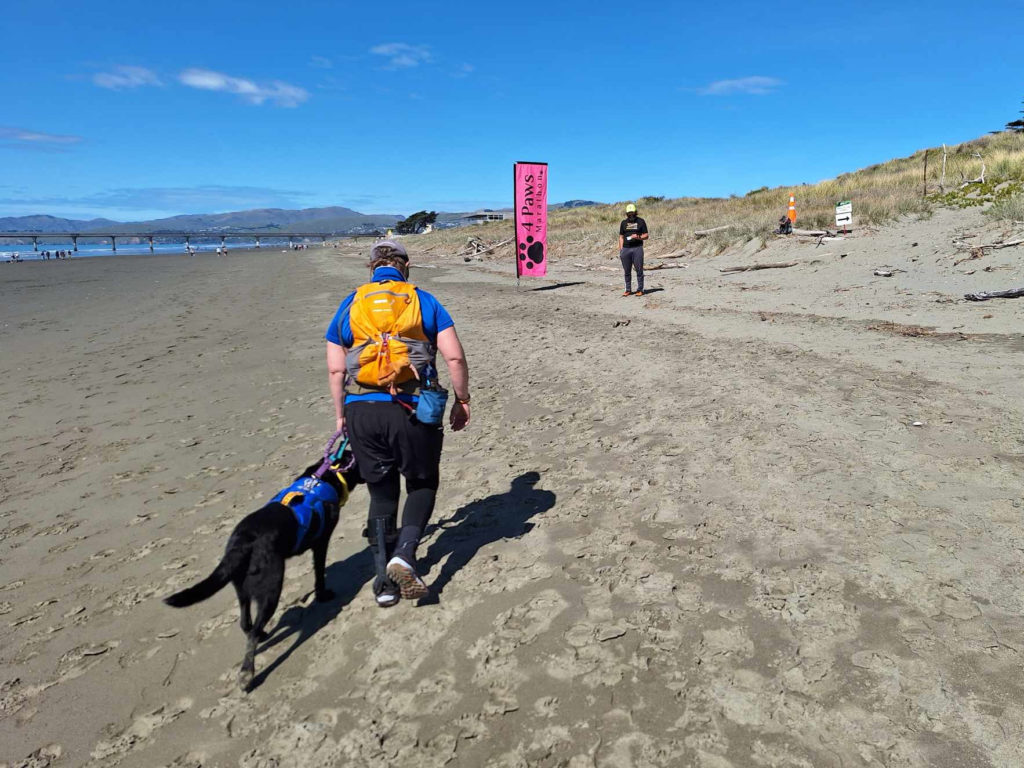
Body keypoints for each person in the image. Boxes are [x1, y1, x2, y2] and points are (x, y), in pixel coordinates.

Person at [325, 240, 470, 607]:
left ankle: (383, 584)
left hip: (362, 407)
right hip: (416, 405)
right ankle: (404, 554)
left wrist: (341, 414)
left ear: (372, 268)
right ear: (406, 266)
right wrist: (462, 400)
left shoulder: (351, 302)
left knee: (381, 491)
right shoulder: (423, 299)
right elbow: (453, 356)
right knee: (421, 482)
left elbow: (337, 367)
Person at [618, 203, 649, 296]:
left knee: (639, 270)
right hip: (626, 250)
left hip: (637, 248)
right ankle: (628, 289)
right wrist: (621, 250)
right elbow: (621, 237)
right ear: (627, 213)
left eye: (632, 213)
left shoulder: (641, 221)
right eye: (629, 213)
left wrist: (638, 236)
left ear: (636, 212)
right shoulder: (623, 223)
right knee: (627, 271)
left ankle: (640, 289)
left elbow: (646, 235)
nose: (631, 214)